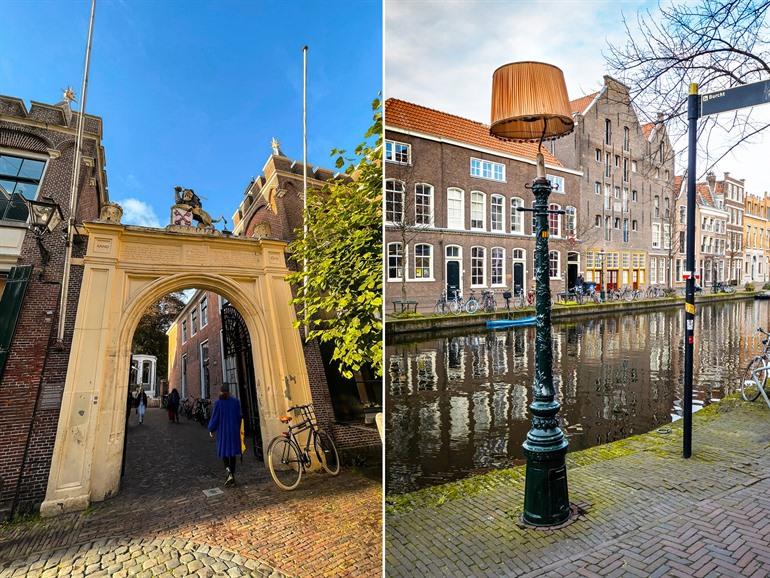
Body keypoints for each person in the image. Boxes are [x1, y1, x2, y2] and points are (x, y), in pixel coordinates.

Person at [208, 384, 242, 486]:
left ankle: (229, 473)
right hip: (234, 431)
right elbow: (239, 417)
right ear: (229, 391)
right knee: (232, 454)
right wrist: (237, 427)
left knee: (224, 453)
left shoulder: (218, 403)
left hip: (223, 432)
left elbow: (215, 418)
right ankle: (232, 476)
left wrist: (211, 429)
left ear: (221, 391)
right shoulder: (236, 402)